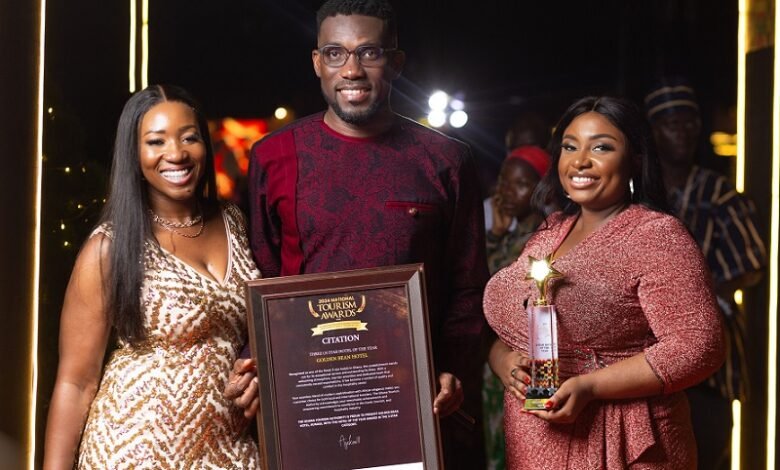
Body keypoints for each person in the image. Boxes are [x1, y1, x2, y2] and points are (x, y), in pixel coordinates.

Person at [223, 0, 489, 468]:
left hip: (413, 402)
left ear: (397, 63)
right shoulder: (275, 156)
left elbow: (467, 286)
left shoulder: (446, 159)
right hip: (311, 403)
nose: (352, 70)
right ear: (316, 63)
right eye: (335, 53)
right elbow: (260, 277)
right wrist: (258, 360)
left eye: (369, 53)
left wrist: (451, 368)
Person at [484, 96, 725, 469]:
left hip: (619, 446)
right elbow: (514, 323)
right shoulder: (551, 231)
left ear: (635, 160)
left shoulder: (656, 236)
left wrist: (591, 386)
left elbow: (699, 345)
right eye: (569, 146)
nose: (580, 160)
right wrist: (503, 361)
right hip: (534, 444)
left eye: (601, 147)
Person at [43, 85, 261, 469]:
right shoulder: (110, 247)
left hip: (230, 451)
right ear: (134, 153)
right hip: (135, 449)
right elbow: (75, 384)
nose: (176, 154)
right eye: (156, 142)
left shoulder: (234, 221)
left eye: (189, 137)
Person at [645, 80, 767, 470]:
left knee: (710, 449)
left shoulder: (719, 193)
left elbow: (751, 264)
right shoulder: (638, 197)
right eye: (670, 123)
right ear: (653, 132)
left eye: (689, 122)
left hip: (711, 362)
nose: (682, 131)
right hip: (645, 357)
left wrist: (692, 295)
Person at [482, 145, 550, 469]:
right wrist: (496, 231)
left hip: (530, 362)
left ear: (541, 187)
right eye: (503, 183)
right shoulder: (507, 235)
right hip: (494, 362)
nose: (507, 192)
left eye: (519, 184)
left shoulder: (545, 239)